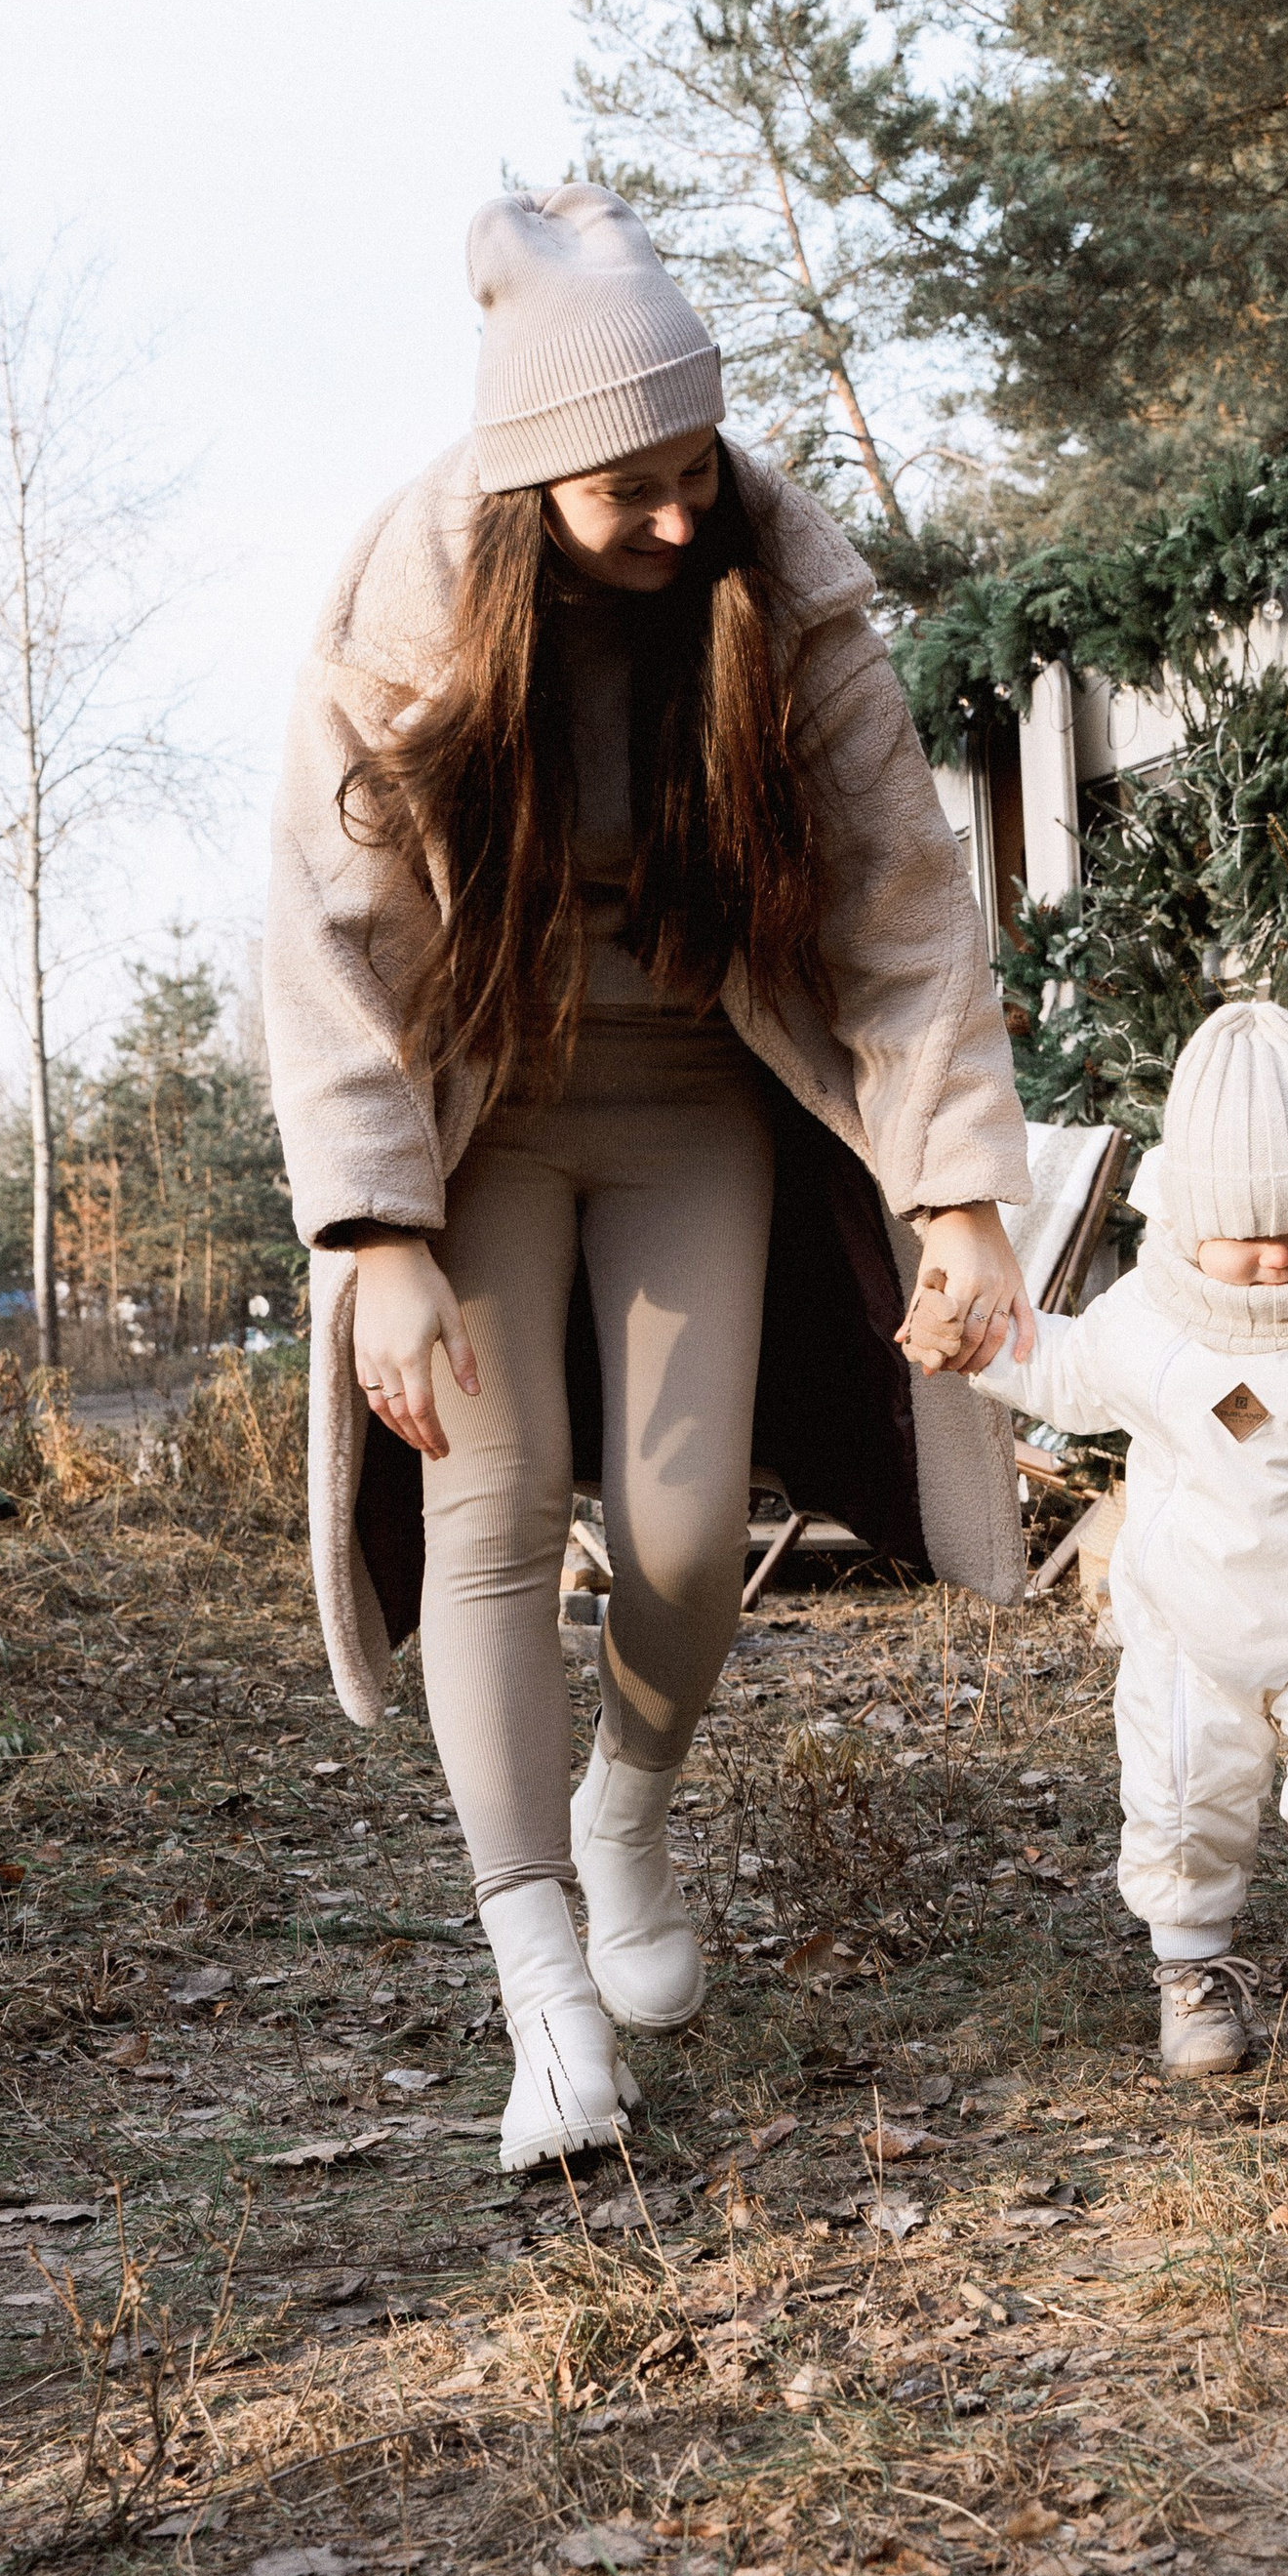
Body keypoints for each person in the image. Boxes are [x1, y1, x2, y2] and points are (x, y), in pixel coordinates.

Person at [265, 184, 1035, 2172]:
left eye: (697, 463)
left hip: (697, 1090)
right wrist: (376, 1234)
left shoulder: (778, 586)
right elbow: (325, 934)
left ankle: (629, 1800)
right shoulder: (410, 609)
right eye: (631, 487)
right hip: (482, 1112)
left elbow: (901, 904)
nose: (681, 511)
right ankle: (544, 2002)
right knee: (494, 1517)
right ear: (532, 481)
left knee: (690, 1534)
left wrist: (954, 1192)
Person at [949, 1002, 1288, 2073]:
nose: (1280, 1259)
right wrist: (969, 1338)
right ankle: (1191, 1972)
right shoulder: (1144, 1323)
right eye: (1247, 1236)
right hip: (1190, 1619)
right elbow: (1055, 1367)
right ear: (1191, 1222)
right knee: (1183, 1796)